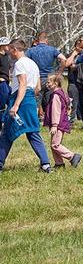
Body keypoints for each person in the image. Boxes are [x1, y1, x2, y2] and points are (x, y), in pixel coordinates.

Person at [0, 39, 51, 172]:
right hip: (30, 99)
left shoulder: (19, 64)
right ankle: (45, 164)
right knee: (33, 132)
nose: (8, 52)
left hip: (20, 99)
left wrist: (16, 105)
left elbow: (22, 84)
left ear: (14, 50)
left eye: (10, 50)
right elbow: (38, 87)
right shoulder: (33, 64)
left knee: (7, 132)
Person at [43, 73, 80, 169]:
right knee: (53, 144)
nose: (47, 84)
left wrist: (54, 125)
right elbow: (68, 107)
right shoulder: (62, 93)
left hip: (58, 124)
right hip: (62, 122)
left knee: (55, 145)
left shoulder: (55, 96)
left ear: (55, 83)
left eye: (49, 82)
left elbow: (56, 111)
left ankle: (72, 156)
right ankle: (59, 164)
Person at [27, 31, 66, 111]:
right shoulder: (52, 50)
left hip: (37, 79)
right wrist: (59, 72)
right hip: (50, 78)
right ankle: (49, 118)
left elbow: (24, 60)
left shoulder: (31, 51)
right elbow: (63, 59)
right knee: (49, 99)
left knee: (37, 100)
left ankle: (36, 119)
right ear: (46, 40)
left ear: (37, 40)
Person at [0, 37, 12, 111]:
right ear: (2, 46)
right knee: (2, 102)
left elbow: (8, 67)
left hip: (7, 81)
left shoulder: (7, 55)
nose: (8, 46)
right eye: (7, 45)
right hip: (1, 82)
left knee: (9, 100)